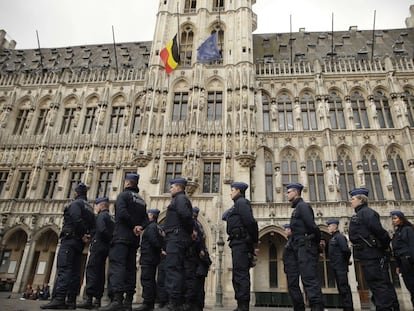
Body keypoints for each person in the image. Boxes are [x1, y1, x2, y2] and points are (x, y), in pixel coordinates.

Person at [41, 183, 95, 309]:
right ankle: (71, 300)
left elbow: (76, 219)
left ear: (76, 192)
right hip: (79, 243)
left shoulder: (75, 204)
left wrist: (82, 233)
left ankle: (59, 299)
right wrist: (88, 235)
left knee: (64, 269)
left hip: (70, 239)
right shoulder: (89, 207)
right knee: (75, 271)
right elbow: (93, 226)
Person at [100, 173, 148, 311]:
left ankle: (117, 300)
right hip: (134, 239)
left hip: (121, 236)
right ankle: (128, 301)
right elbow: (146, 219)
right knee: (130, 267)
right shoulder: (141, 200)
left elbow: (121, 213)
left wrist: (132, 225)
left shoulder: (123, 196)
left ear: (127, 183)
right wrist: (140, 227)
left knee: (118, 266)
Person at [348, 188, 400, 311]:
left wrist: (384, 245)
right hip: (366, 255)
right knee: (375, 284)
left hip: (372, 254)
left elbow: (380, 232)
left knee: (379, 284)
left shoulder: (367, 213)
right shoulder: (360, 214)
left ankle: (386, 308)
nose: (351, 201)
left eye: (353, 199)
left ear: (361, 200)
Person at [157, 178, 194, 311]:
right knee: (177, 269)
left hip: (176, 238)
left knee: (173, 269)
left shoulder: (180, 199)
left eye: (172, 187)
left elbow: (185, 216)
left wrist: (189, 231)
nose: (170, 189)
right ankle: (177, 301)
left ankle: (173, 303)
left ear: (178, 187)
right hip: (178, 237)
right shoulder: (180, 199)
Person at [286, 182, 324, 311]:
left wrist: (317, 243)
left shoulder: (303, 207)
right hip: (299, 247)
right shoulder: (297, 208)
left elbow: (312, 227)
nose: (287, 194)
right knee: (304, 279)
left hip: (306, 246)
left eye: (289, 191)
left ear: (296, 192)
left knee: (310, 280)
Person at [225, 182, 259, 311]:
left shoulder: (242, 203)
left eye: (232, 190)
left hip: (242, 243)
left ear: (238, 191)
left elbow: (250, 222)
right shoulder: (237, 205)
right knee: (238, 275)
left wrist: (254, 243)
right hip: (236, 243)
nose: (230, 192)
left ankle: (243, 306)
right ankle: (240, 304)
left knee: (241, 275)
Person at [78, 197, 115, 309]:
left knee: (92, 270)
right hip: (106, 247)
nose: (96, 208)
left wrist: (94, 237)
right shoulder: (111, 217)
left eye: (97, 206)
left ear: (101, 206)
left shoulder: (101, 216)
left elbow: (102, 230)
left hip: (98, 245)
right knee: (100, 272)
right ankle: (97, 300)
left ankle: (88, 298)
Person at [135, 208, 164, 311]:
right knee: (150, 280)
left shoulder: (151, 227)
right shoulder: (158, 227)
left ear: (151, 216)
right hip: (153, 258)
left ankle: (147, 303)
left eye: (148, 215)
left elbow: (154, 241)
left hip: (149, 257)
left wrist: (159, 250)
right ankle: (149, 302)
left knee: (147, 280)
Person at [326, 219, 353, 311]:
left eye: (329, 226)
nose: (328, 228)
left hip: (340, 266)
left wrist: (344, 262)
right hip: (336, 266)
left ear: (335, 226)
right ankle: (345, 307)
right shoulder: (333, 238)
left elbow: (346, 251)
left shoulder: (340, 237)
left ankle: (348, 308)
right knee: (341, 289)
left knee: (344, 288)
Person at [390, 210, 414, 308]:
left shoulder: (407, 229)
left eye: (395, 218)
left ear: (401, 219)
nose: (393, 220)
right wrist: (398, 265)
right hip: (403, 262)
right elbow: (396, 251)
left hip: (409, 262)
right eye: (392, 218)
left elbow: (412, 245)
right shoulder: (397, 232)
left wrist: (411, 260)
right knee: (411, 288)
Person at [282, 223, 305, 311]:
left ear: (290, 230)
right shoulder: (290, 241)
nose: (285, 231)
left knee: (294, 288)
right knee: (292, 288)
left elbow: (297, 254)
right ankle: (297, 307)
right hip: (290, 268)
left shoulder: (293, 240)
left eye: (286, 229)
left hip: (293, 268)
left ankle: (299, 308)